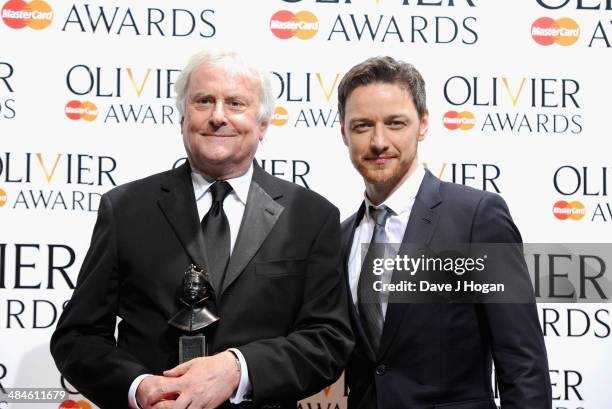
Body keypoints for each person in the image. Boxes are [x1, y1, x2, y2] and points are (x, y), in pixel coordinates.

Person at [51, 50, 353, 409]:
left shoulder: (311, 216)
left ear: (263, 125)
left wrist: (239, 370)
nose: (218, 116)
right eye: (203, 101)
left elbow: (328, 340)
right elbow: (78, 337)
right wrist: (138, 387)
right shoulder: (126, 208)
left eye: (236, 103)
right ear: (182, 118)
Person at [337, 56, 552, 409]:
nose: (379, 142)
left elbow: (522, 361)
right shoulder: (341, 238)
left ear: (423, 124)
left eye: (395, 123)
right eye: (362, 126)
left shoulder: (476, 218)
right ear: (343, 132)